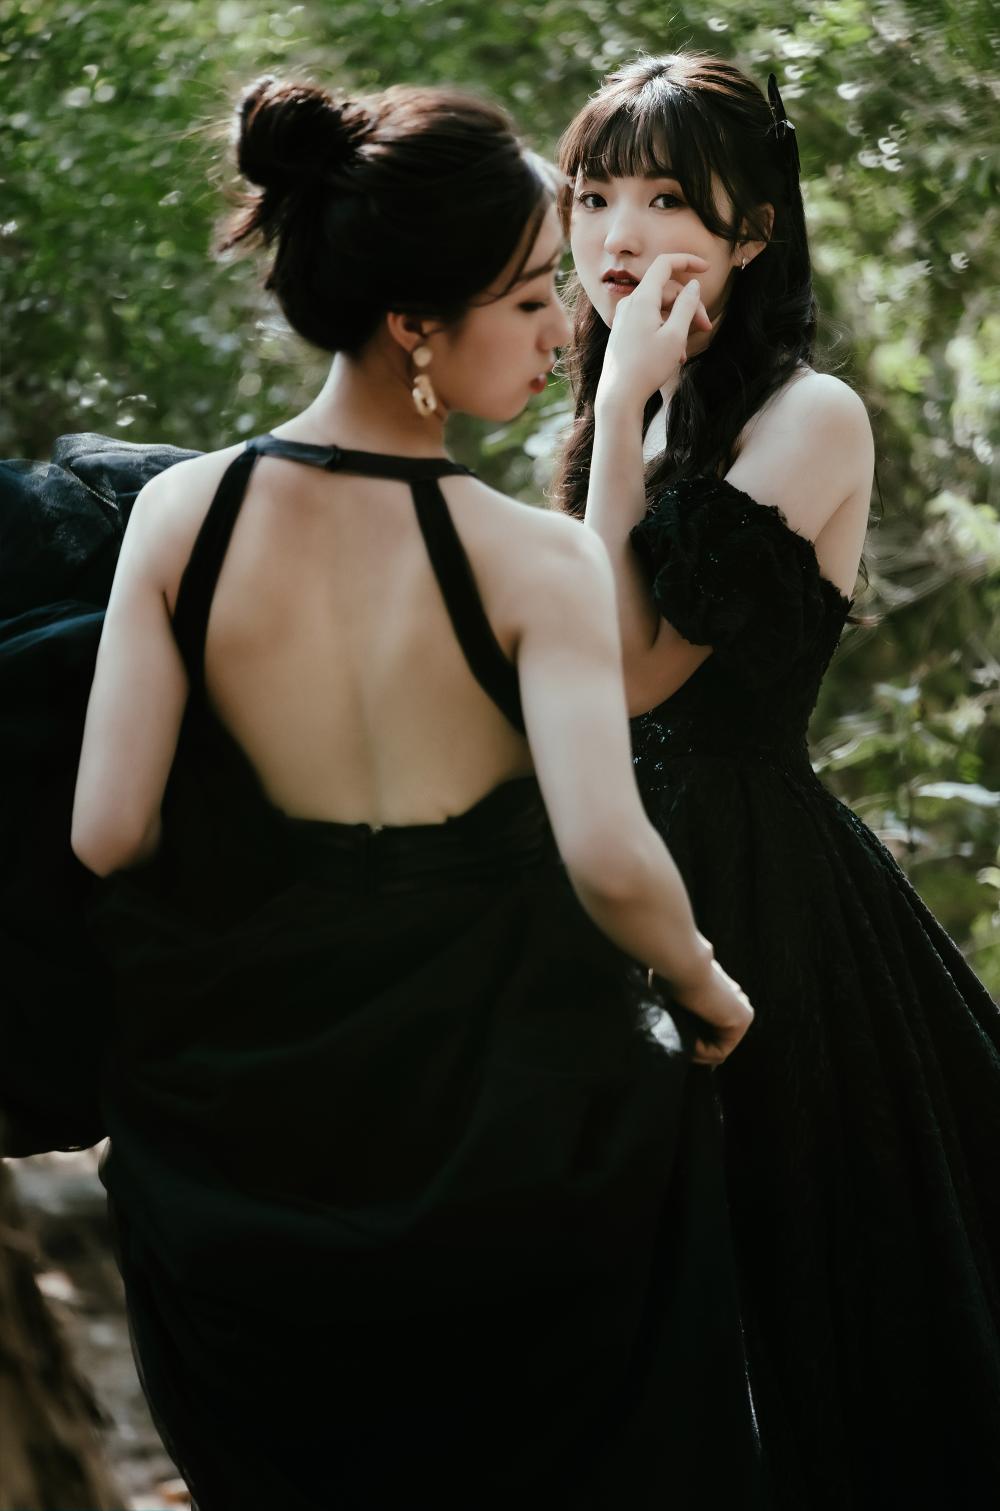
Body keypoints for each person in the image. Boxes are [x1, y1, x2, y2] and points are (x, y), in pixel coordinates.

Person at [41, 76, 762, 1510]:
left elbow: (108, 830)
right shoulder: (533, 561)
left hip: (252, 1123)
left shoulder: (183, 513)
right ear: (414, 326)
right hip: (504, 1114)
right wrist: (707, 987)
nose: (566, 329)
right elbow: (609, 857)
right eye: (533, 298)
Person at [555, 50, 1000, 1510]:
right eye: (593, 196)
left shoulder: (810, 416)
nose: (619, 236)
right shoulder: (639, 404)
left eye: (665, 199)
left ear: (751, 231)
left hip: (754, 893)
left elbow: (631, 672)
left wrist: (623, 406)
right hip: (607, 863)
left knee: (789, 1312)